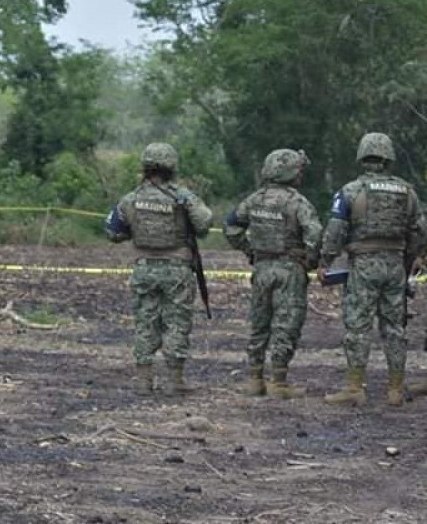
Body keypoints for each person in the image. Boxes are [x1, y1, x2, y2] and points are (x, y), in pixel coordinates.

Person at [318, 132, 427, 406]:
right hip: (395, 266)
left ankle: (355, 388)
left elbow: (335, 230)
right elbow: (420, 230)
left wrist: (325, 261)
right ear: (388, 157)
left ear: (362, 156)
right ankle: (395, 389)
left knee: (358, 325)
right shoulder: (408, 191)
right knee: (394, 326)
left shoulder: (350, 191)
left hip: (364, 265)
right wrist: (411, 257)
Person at [105, 142, 213, 396]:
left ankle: (144, 381)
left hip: (143, 269)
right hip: (177, 269)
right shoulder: (182, 197)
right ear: (172, 167)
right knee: (176, 323)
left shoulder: (131, 198)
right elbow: (205, 224)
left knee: (145, 322)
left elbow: (112, 231)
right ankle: (175, 381)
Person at [223, 149, 322, 399]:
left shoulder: (254, 200)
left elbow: (231, 227)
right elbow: (315, 234)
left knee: (259, 323)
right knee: (286, 323)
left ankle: (255, 379)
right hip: (290, 270)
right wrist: (310, 260)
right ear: (291, 173)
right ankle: (279, 381)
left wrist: (250, 251)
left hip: (262, 268)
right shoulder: (298, 202)